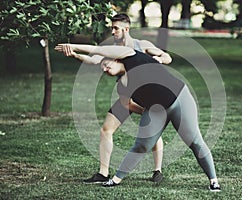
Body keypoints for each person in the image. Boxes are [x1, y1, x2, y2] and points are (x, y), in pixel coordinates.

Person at [54, 43, 221, 192]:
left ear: (116, 59)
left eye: (106, 64)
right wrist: (150, 115)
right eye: (102, 68)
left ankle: (213, 181)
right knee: (141, 145)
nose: (105, 69)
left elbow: (97, 49)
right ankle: (116, 179)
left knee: (194, 141)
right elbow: (128, 105)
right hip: (156, 110)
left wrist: (74, 46)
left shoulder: (130, 55)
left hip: (179, 99)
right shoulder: (121, 87)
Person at [59, 13, 172, 184]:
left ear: (126, 29)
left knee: (152, 129)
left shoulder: (142, 45)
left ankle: (157, 171)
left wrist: (158, 59)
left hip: (145, 96)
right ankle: (102, 173)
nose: (113, 31)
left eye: (116, 28)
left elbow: (167, 57)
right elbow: (94, 59)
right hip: (126, 96)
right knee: (106, 129)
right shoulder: (113, 48)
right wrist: (75, 54)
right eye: (112, 28)